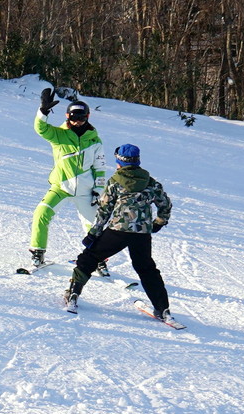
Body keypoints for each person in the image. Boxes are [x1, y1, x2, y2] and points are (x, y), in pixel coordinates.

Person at [62, 143, 175, 321]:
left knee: (89, 258)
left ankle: (73, 294)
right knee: (146, 269)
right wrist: (158, 222)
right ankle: (163, 309)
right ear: (137, 161)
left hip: (118, 231)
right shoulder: (150, 182)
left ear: (119, 162)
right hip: (142, 234)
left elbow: (104, 209)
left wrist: (94, 233)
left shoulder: (115, 181)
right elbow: (165, 204)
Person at [28, 88, 108, 272]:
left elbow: (100, 168)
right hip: (61, 187)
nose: (77, 122)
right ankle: (37, 254)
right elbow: (40, 128)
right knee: (41, 213)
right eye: (73, 118)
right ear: (67, 116)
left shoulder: (95, 141)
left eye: (81, 118)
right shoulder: (59, 135)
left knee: (94, 225)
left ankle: (98, 259)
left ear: (87, 117)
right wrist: (43, 111)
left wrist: (98, 190)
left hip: (86, 190)